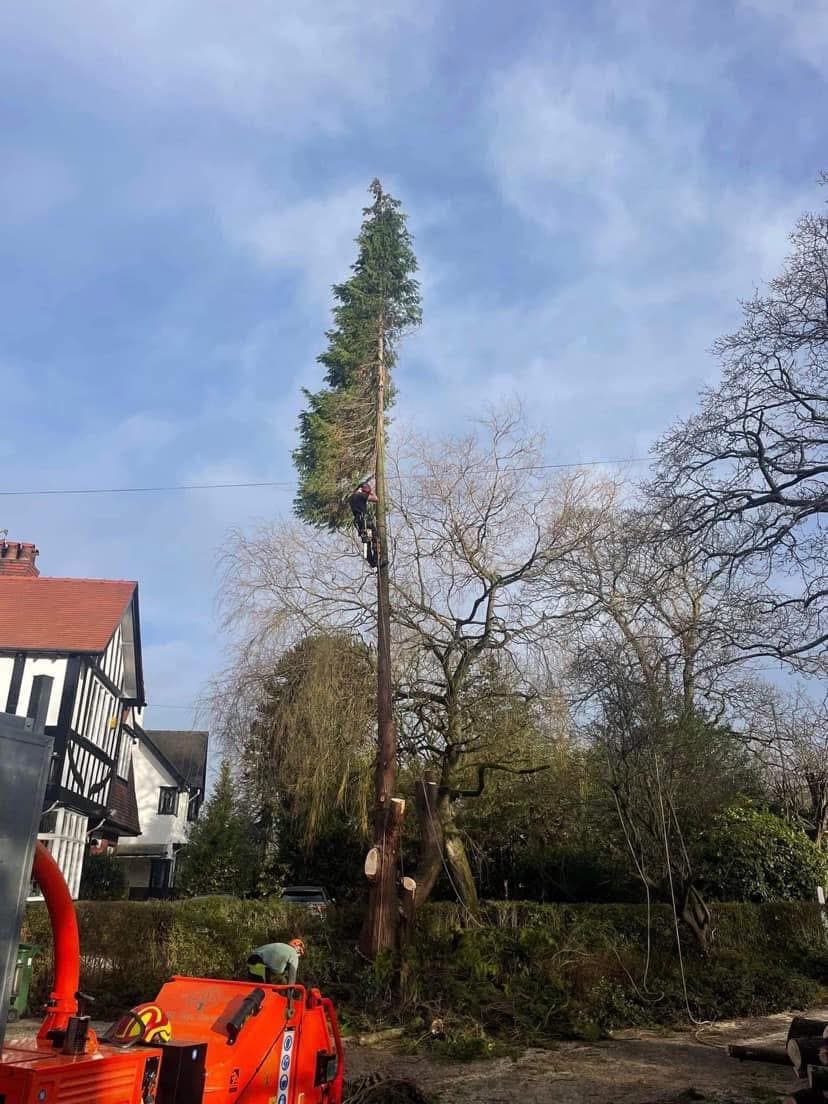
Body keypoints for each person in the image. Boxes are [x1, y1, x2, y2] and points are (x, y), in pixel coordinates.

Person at [349, 480, 379, 568]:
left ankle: (371, 562)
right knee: (375, 538)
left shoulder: (351, 498)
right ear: (361, 489)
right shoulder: (361, 495)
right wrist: (371, 492)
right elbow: (376, 499)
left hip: (359, 523)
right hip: (365, 521)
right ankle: (377, 558)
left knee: (366, 541)